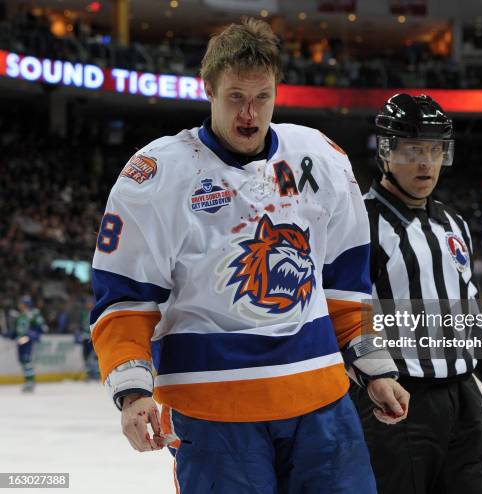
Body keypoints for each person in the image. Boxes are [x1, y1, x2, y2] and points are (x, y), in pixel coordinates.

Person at [90, 18, 408, 494]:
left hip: (319, 397)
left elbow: (345, 283)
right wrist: (133, 392)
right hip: (215, 410)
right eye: (236, 97)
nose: (250, 114)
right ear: (210, 91)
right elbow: (125, 300)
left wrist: (372, 364)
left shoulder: (320, 158)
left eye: (262, 98)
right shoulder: (157, 174)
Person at [350, 93, 482, 494]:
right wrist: (371, 381)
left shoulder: (452, 223)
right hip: (396, 403)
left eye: (434, 150)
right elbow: (347, 316)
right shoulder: (359, 224)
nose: (426, 162)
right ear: (387, 152)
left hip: (463, 402)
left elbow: (468, 311)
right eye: (413, 151)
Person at [10, 295, 46, 392]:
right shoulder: (20, 315)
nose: (19, 305)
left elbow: (42, 327)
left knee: (27, 361)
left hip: (28, 341)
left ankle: (30, 381)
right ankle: (27, 381)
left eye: (21, 303)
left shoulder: (34, 313)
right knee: (22, 361)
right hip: (21, 341)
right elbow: (17, 331)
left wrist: (34, 334)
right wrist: (11, 335)